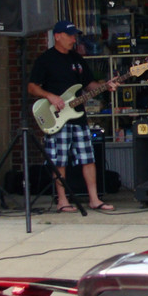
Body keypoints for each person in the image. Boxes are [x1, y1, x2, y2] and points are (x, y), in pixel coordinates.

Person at [28, 20, 117, 212]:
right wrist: (50, 96)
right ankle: (62, 200)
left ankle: (94, 199)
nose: (73, 39)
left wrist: (106, 86)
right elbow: (32, 86)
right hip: (57, 117)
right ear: (57, 36)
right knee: (59, 161)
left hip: (78, 117)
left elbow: (89, 84)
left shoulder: (77, 59)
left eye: (74, 35)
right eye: (70, 35)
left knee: (88, 158)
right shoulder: (45, 59)